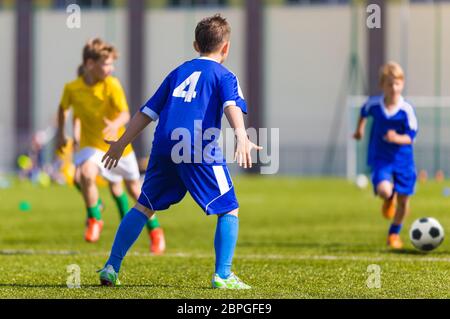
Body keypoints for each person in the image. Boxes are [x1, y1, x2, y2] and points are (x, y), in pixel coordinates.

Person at [98, 14, 261, 289]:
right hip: (197, 145)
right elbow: (231, 106)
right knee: (229, 208)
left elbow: (146, 112)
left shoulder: (178, 72)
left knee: (143, 206)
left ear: (196, 45)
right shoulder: (225, 75)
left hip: (163, 145)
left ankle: (111, 266)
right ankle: (223, 275)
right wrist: (242, 136)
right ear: (226, 48)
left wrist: (122, 141)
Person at [56, 38, 166, 254]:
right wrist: (61, 134)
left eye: (111, 64)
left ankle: (155, 231)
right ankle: (95, 218)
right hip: (92, 147)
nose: (111, 68)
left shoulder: (112, 85)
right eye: (106, 63)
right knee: (85, 174)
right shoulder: (72, 88)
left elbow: (126, 113)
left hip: (118, 147)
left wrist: (115, 124)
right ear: (89, 64)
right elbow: (63, 110)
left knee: (136, 191)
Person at [353, 61, 418, 249]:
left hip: (403, 161)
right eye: (389, 84)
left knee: (404, 202)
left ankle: (394, 234)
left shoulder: (406, 110)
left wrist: (397, 138)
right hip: (381, 158)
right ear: (382, 85)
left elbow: (411, 136)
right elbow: (363, 112)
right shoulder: (374, 104)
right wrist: (360, 130)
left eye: (397, 83)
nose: (393, 88)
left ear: (402, 84)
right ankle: (389, 198)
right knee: (384, 190)